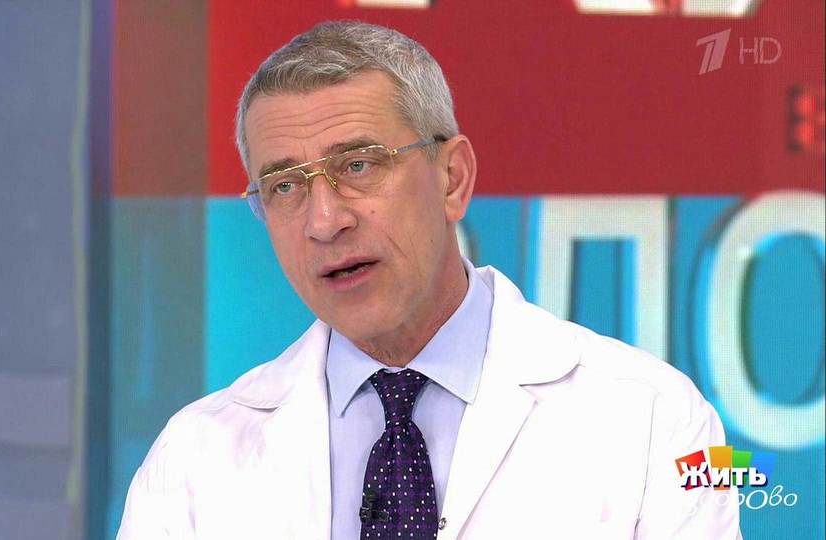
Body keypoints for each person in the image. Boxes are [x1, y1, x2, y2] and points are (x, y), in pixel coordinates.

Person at [117, 21, 741, 540]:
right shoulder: (193, 459)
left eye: (358, 165)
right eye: (284, 186)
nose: (324, 221)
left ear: (452, 179)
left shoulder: (654, 418)